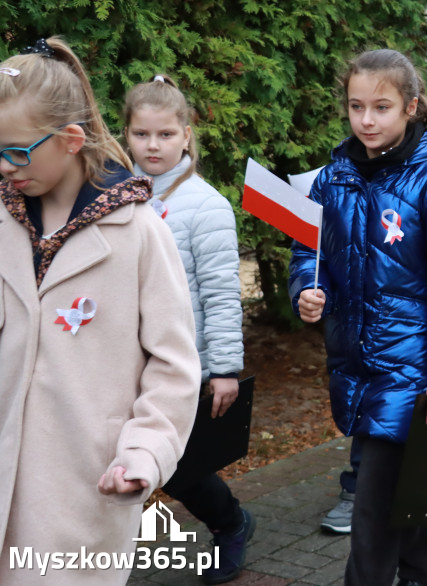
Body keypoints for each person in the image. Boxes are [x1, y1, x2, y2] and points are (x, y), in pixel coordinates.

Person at [0, 37, 201, 585]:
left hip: (82, 495)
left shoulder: (140, 233)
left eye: (16, 151)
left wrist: (145, 452)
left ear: (69, 140)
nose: (4, 165)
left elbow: (174, 368)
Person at [289, 49, 427, 586]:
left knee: (370, 506)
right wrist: (309, 289)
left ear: (410, 107)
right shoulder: (332, 179)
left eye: (381, 107)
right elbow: (308, 253)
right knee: (400, 495)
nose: (367, 120)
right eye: (356, 107)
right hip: (354, 362)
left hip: (411, 369)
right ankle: (424, 574)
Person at [124, 74, 252, 583]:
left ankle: (232, 522)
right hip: (124, 356)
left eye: (164, 135)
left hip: (184, 361)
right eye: (140, 134)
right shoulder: (110, 194)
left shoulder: (207, 206)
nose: (152, 146)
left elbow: (221, 292)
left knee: (179, 467)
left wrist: (223, 368)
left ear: (186, 135)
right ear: (126, 134)